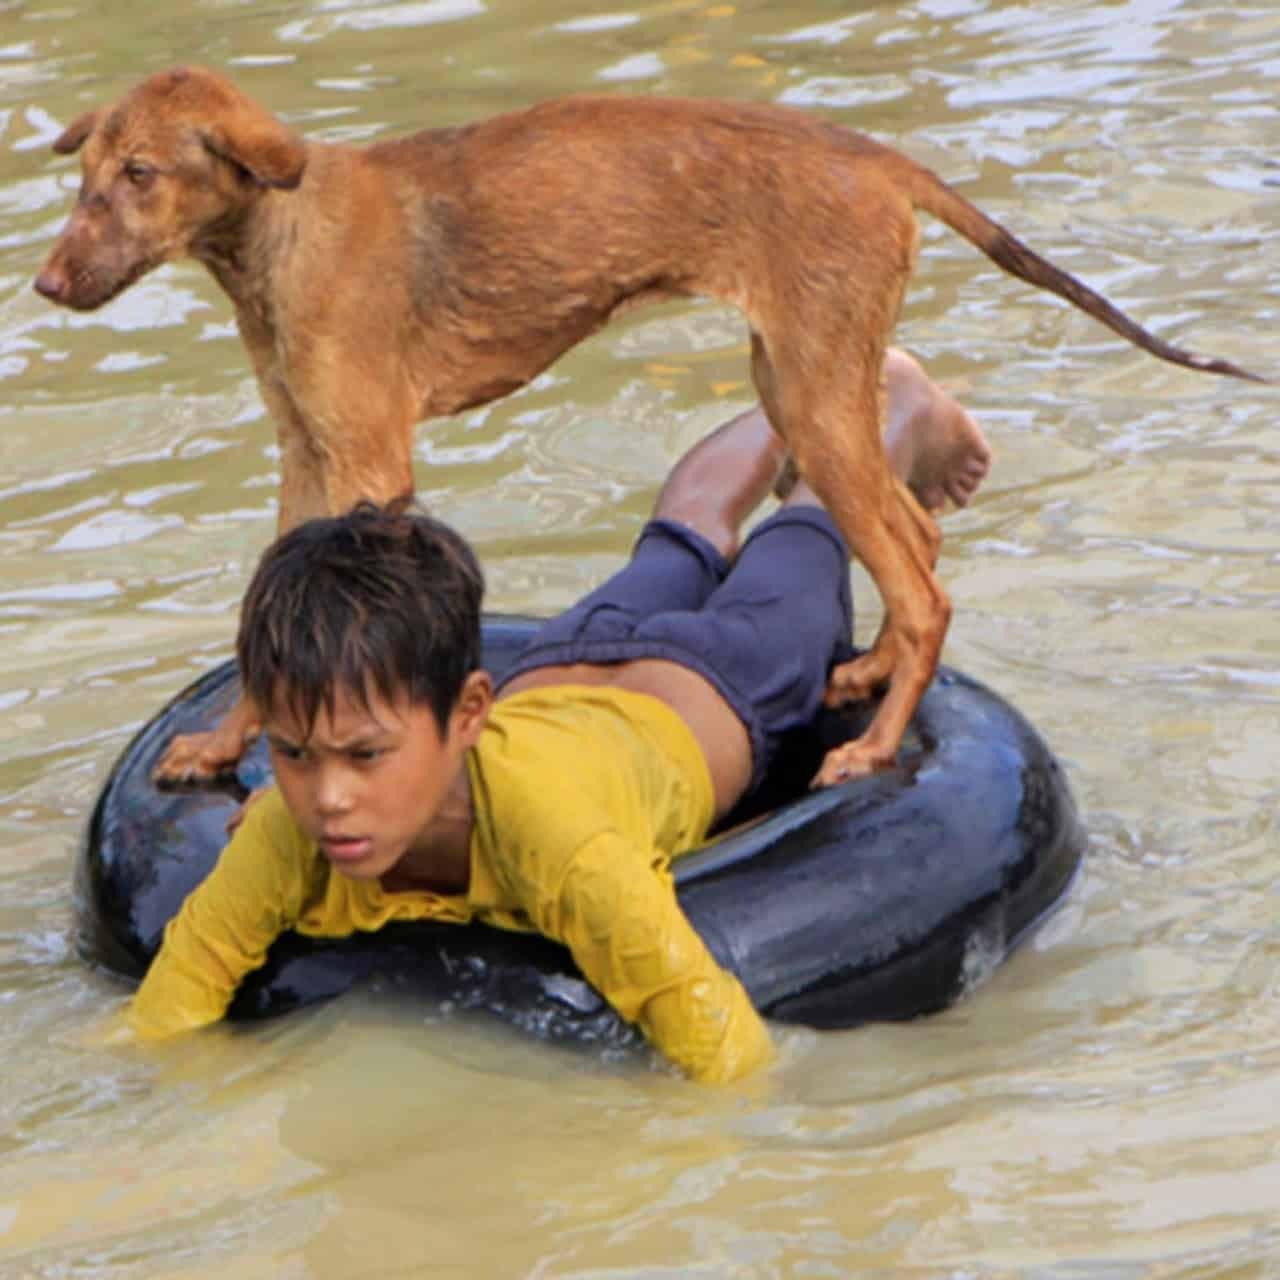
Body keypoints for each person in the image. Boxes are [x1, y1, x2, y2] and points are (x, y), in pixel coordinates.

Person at [125, 350, 991, 1084]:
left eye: (364, 755)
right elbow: (171, 1006)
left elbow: (723, 1051)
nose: (329, 799)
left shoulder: (563, 847)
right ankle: (811, 394)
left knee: (805, 521)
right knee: (682, 530)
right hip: (568, 660)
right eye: (295, 754)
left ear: (467, 713)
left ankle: (890, 402)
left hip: (722, 685)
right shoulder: (287, 827)